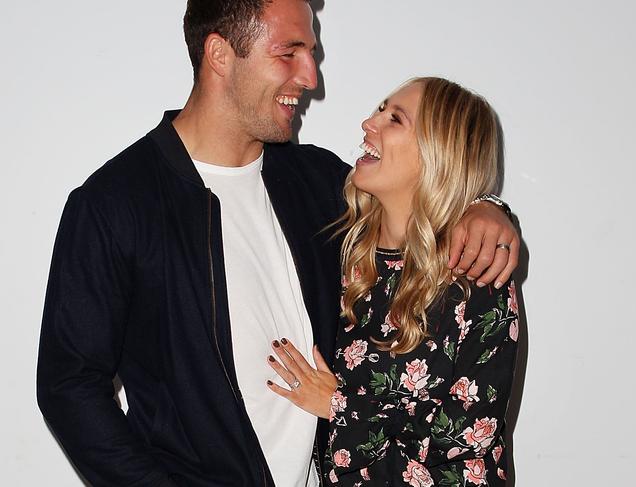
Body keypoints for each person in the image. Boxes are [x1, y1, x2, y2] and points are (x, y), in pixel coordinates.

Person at [36, 0, 519, 485]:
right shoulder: (115, 204)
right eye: (289, 53)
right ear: (221, 55)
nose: (311, 76)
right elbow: (69, 386)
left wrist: (488, 209)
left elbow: (421, 202)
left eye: (310, 52)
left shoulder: (317, 182)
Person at [266, 77, 519, 486]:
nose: (369, 122)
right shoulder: (339, 249)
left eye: (394, 119)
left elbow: (466, 447)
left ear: (437, 153)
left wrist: (338, 407)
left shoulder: (476, 275)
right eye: (379, 109)